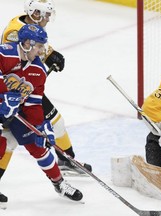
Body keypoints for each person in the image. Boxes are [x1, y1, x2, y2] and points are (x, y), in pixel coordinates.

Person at [0, 0, 92, 179]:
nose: (48, 19)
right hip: (12, 91)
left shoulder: (30, 27)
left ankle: (67, 160)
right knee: (10, 139)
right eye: (46, 15)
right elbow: (17, 62)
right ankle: (67, 160)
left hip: (24, 88)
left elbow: (35, 50)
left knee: (55, 123)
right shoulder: (15, 32)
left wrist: (49, 54)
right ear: (35, 13)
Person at [0, 24, 83, 205]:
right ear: (27, 43)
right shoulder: (5, 53)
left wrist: (40, 125)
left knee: (37, 145)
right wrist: (3, 97)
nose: (41, 51)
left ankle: (59, 183)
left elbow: (34, 102)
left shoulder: (38, 70)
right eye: (39, 46)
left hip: (13, 110)